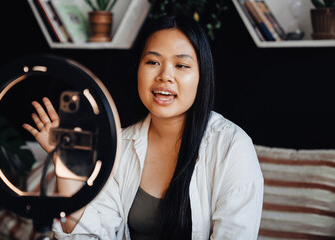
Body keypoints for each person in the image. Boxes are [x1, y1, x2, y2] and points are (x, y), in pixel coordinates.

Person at [23, 15, 263, 240]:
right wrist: (65, 162)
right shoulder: (120, 147)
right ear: (138, 68)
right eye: (153, 61)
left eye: (181, 65)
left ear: (202, 76)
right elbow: (88, 235)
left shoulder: (231, 146)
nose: (165, 76)